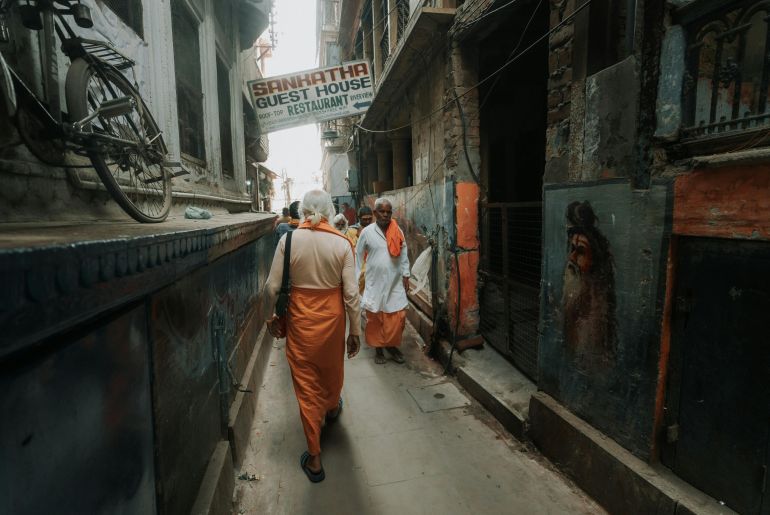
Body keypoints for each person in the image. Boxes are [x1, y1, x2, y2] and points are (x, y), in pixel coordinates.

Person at [263, 189, 361, 483]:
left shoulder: (288, 240)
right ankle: (332, 407)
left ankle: (315, 458)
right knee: (331, 372)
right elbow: (352, 294)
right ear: (330, 211)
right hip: (332, 321)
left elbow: (271, 287)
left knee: (306, 385)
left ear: (302, 211)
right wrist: (355, 331)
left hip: (300, 322)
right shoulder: (342, 243)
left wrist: (272, 315)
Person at [561, 200, 617, 365]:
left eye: (580, 252)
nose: (571, 258)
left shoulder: (598, 309)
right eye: (572, 249)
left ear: (595, 260)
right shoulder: (574, 290)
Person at [356, 197, 409, 365]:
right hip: (375, 282)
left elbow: (404, 254)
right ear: (375, 213)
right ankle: (378, 349)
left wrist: (406, 275)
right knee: (375, 317)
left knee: (397, 317)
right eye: (382, 211)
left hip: (394, 282)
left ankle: (391, 346)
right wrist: (355, 279)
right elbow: (357, 256)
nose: (385, 215)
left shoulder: (397, 230)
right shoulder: (367, 232)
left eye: (388, 212)